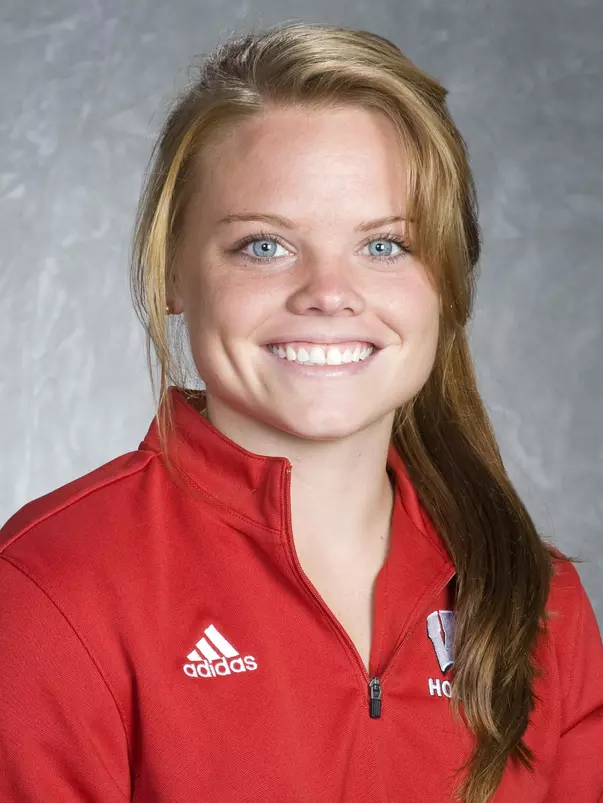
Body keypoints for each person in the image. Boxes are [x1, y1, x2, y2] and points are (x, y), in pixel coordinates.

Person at [1, 21, 602, 803]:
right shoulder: (49, 592)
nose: (327, 291)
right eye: (263, 245)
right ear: (174, 273)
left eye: (384, 245)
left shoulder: (536, 596)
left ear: (447, 284)